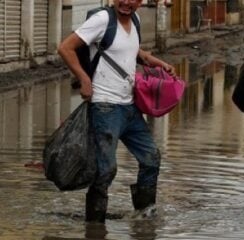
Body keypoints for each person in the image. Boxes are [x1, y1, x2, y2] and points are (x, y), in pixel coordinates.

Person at [57, 0, 175, 223]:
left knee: (151, 158)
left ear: (140, 2)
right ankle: (94, 227)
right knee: (106, 170)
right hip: (105, 106)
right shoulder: (102, 20)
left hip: (129, 106)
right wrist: (84, 79)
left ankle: (144, 214)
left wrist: (155, 62)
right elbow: (65, 47)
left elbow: (130, 50)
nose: (127, 2)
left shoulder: (136, 20)